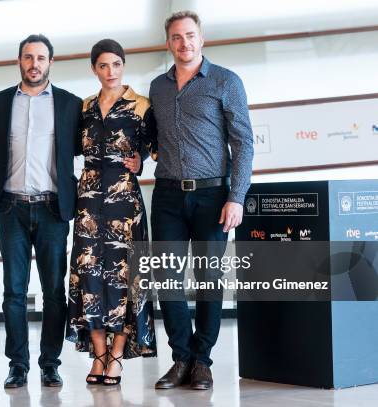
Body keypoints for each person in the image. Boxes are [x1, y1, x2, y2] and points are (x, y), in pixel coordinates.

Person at [149, 11, 254, 390]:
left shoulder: (226, 81)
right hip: (166, 196)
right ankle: (181, 358)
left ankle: (203, 361)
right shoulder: (158, 87)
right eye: (176, 37)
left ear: (202, 38)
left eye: (190, 36)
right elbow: (151, 137)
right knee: (167, 278)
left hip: (213, 195)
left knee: (210, 278)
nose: (184, 43)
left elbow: (243, 142)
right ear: (168, 42)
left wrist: (236, 196)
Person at [0, 34, 83, 389]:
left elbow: (83, 149)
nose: (34, 64)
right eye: (28, 57)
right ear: (19, 61)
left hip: (52, 209)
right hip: (11, 206)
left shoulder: (70, 105)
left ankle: (50, 363)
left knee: (54, 291)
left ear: (50, 63)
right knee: (14, 291)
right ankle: (18, 364)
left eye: (41, 58)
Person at [66, 39, 157, 386]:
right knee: (89, 277)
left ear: (124, 65)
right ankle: (98, 354)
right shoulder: (85, 108)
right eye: (103, 65)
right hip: (88, 202)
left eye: (116, 64)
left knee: (124, 280)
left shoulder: (142, 106)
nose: (110, 72)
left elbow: (156, 147)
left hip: (125, 205)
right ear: (94, 69)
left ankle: (117, 357)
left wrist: (141, 161)